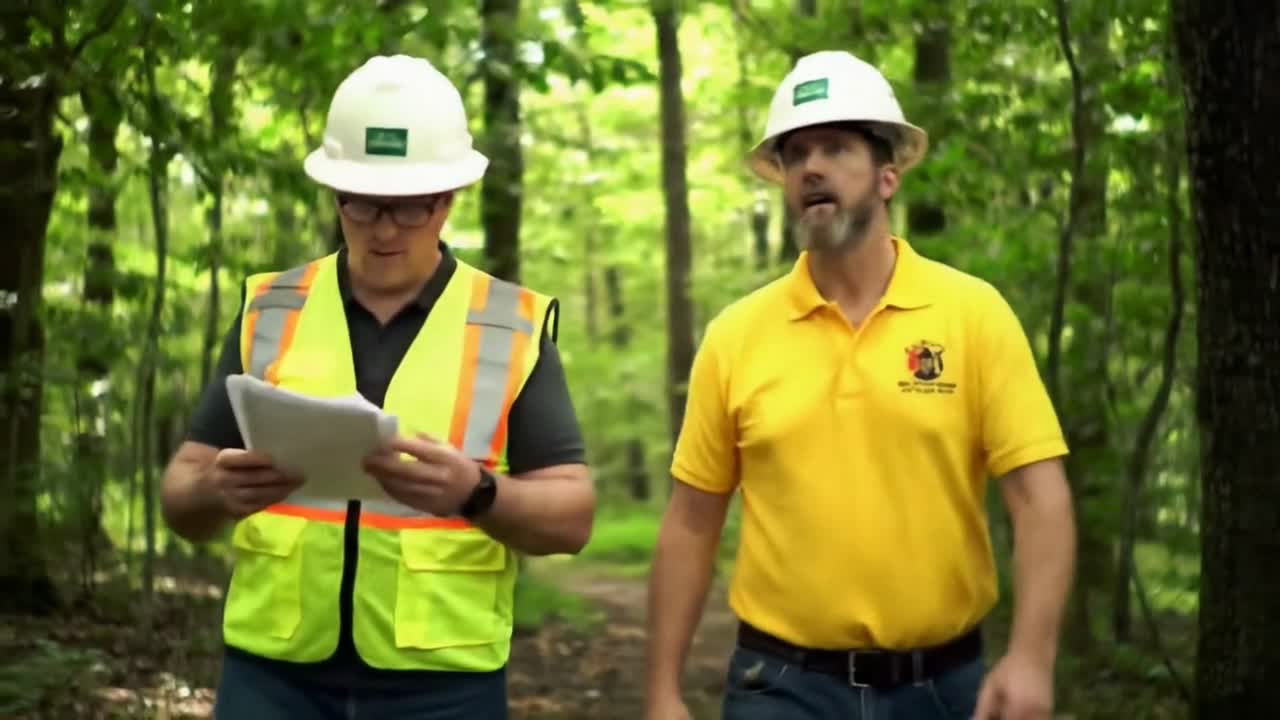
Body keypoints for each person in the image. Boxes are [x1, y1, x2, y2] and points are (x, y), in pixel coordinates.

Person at [160, 54, 595, 720]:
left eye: (410, 206)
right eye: (363, 204)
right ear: (336, 195)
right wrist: (214, 491)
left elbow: (572, 516)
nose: (385, 229)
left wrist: (476, 493)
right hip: (271, 677)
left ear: (448, 199)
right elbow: (180, 495)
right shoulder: (270, 310)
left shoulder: (511, 326)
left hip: (444, 684)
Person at [643, 50, 1076, 720]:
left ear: (887, 177)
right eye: (796, 154)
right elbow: (692, 522)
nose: (812, 167)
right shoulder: (737, 335)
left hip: (944, 685)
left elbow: (1039, 498)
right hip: (780, 685)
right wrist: (662, 692)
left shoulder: (972, 313)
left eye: (837, 148)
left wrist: (1031, 656)